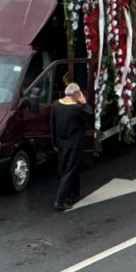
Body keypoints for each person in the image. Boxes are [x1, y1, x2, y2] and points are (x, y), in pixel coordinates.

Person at [50, 82, 95, 210]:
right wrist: (84, 102)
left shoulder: (56, 105)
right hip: (74, 142)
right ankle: (60, 200)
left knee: (66, 168)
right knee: (70, 170)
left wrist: (55, 142)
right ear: (76, 94)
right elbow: (90, 116)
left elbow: (52, 125)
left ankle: (74, 194)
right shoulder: (77, 108)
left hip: (61, 142)